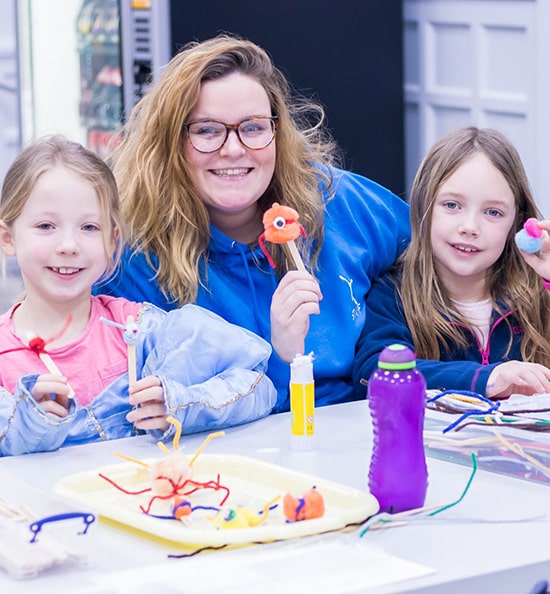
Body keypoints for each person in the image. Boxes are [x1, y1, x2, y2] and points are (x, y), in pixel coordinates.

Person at [93, 34, 411, 412]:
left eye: (254, 127)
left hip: (358, 434)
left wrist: (384, 321)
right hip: (213, 452)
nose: (233, 148)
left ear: (277, 133)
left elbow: (439, 258)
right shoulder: (132, 258)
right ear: (170, 143)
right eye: (207, 130)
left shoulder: (340, 202)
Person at [0, 135, 276, 457]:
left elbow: (258, 387)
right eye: (46, 226)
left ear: (113, 239)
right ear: (8, 238)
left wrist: (179, 404)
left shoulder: (140, 331)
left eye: (89, 227)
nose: (68, 245)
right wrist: (26, 425)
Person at [353, 126, 550, 400]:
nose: (469, 227)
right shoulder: (393, 295)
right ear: (424, 206)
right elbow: (373, 374)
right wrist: (487, 378)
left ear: (517, 222)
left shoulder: (537, 293)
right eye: (452, 205)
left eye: (493, 212)